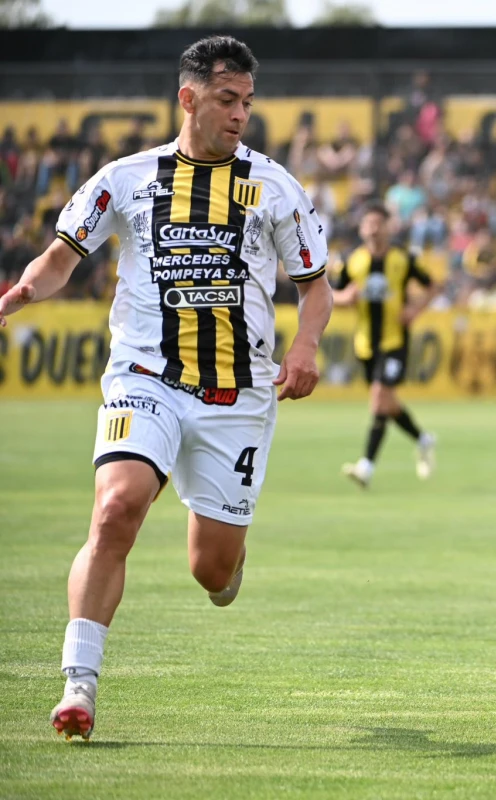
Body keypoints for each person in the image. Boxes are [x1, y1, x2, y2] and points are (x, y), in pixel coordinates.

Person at [0, 36, 333, 741]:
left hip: (237, 397)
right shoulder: (123, 178)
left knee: (211, 572)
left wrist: (305, 345)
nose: (241, 113)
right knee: (116, 508)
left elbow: (315, 288)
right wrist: (29, 286)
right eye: (226, 99)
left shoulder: (273, 187)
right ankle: (79, 685)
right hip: (144, 376)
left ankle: (227, 559)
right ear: (188, 98)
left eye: (247, 101)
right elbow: (62, 256)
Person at [334, 203, 439, 487]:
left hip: (395, 341)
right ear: (361, 228)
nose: (373, 228)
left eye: (379, 223)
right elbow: (335, 295)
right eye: (368, 223)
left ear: (389, 227)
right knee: (388, 404)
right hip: (366, 343)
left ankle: (366, 466)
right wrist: (346, 298)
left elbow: (431, 285)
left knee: (380, 397)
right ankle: (423, 439)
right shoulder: (353, 261)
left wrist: (415, 310)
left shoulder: (402, 258)